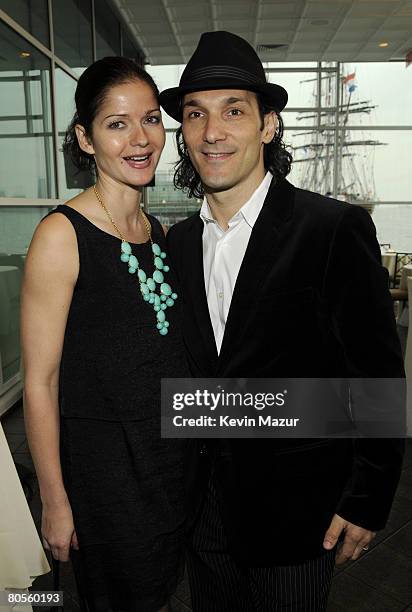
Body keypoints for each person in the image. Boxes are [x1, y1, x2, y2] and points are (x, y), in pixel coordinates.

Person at [160, 31, 405, 611]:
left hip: (299, 518)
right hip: (204, 517)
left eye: (233, 111)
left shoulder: (331, 230)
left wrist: (367, 501)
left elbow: (376, 376)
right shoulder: (178, 244)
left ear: (268, 125)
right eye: (196, 115)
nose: (212, 131)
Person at [21, 57, 188, 612]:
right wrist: (54, 500)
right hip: (104, 479)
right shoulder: (61, 235)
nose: (140, 140)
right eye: (117, 124)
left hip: (166, 469)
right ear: (85, 139)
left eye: (150, 120)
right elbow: (40, 383)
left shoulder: (159, 233)